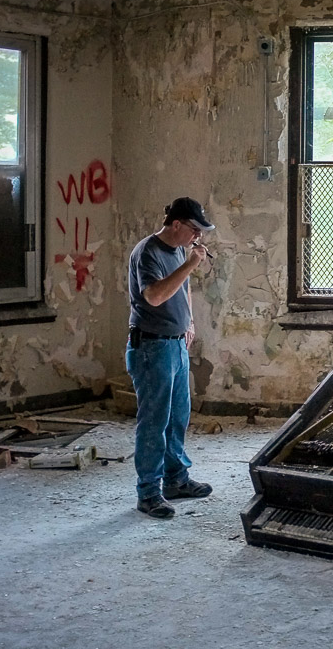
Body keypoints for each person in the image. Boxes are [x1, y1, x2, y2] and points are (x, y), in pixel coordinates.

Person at [126, 196, 215, 518]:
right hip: (152, 348)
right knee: (154, 423)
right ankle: (148, 493)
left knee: (177, 418)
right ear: (176, 224)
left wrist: (189, 322)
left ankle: (176, 480)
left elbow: (183, 288)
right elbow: (154, 295)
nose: (198, 237)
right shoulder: (147, 252)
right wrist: (191, 262)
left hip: (175, 344)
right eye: (194, 229)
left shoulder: (179, 249)